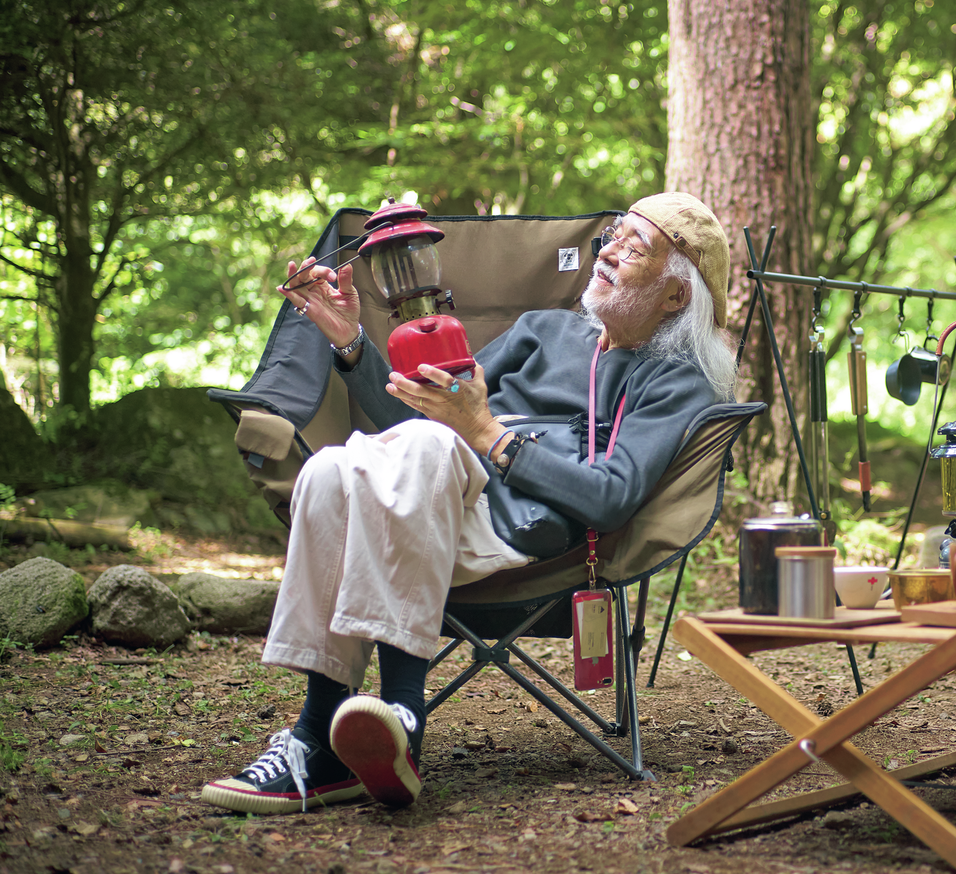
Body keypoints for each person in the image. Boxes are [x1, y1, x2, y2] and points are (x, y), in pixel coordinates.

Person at [201, 192, 737, 814]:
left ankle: (399, 712)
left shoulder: (678, 379)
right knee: (328, 470)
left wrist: (487, 432)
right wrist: (348, 338)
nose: (608, 252)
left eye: (633, 248)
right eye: (614, 235)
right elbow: (416, 417)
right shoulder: (546, 329)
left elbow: (612, 498)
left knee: (426, 444)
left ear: (676, 296)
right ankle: (317, 737)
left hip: (525, 531)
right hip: (432, 507)